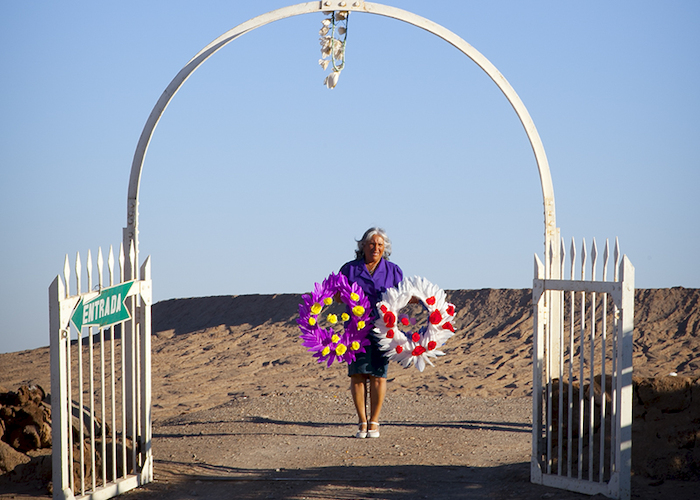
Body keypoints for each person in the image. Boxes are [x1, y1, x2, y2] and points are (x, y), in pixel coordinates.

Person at [340, 227, 403, 438]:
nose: (375, 248)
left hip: (382, 329)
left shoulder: (394, 271)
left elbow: (403, 296)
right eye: (372, 244)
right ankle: (362, 422)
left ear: (385, 248)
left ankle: (374, 421)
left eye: (380, 245)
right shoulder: (349, 269)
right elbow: (335, 294)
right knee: (357, 375)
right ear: (363, 246)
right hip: (356, 329)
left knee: (378, 375)